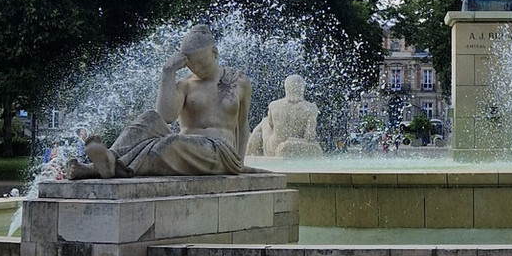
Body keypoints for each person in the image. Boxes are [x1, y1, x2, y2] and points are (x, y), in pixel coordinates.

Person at [65, 24, 252, 179]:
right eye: (190, 63)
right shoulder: (185, 84)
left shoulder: (239, 82)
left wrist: (239, 164)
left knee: (166, 146)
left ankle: (96, 169)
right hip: (184, 146)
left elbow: (243, 125)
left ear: (214, 52)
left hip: (219, 153)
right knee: (149, 118)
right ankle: (109, 159)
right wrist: (168, 72)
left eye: (201, 63)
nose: (196, 68)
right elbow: (165, 116)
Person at [247, 74, 322, 157]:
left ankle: (247, 150)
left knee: (264, 121)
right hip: (295, 148)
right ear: (302, 88)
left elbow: (271, 124)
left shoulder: (274, 105)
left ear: (286, 87)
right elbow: (310, 136)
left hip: (273, 148)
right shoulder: (311, 108)